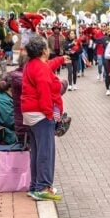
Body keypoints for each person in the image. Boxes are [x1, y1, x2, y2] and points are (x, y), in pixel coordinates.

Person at [21, 36, 69, 201]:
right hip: (41, 114)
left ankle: (35, 185)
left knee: (37, 151)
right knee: (46, 152)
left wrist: (60, 59)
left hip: (30, 113)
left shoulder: (32, 65)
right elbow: (44, 93)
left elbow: (48, 66)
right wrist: (50, 115)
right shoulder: (40, 68)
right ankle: (43, 187)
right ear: (43, 51)